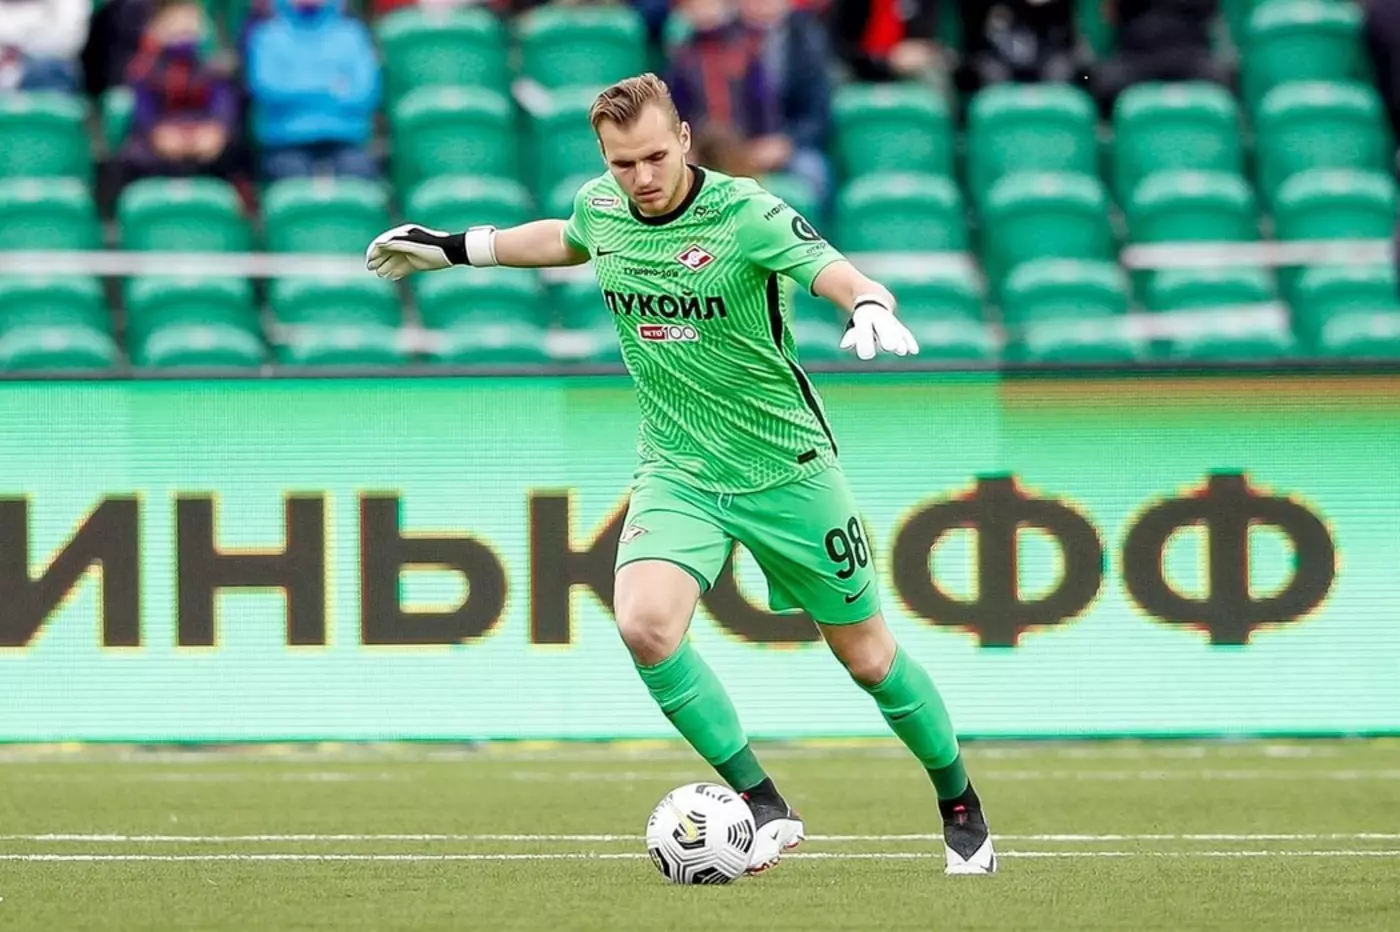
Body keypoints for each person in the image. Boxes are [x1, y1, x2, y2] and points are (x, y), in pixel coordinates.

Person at [364, 72, 997, 877]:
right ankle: (763, 803)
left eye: (655, 157)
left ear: (685, 140)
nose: (642, 177)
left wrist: (868, 303)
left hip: (788, 470)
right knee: (645, 626)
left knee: (869, 658)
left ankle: (959, 803)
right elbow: (563, 238)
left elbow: (829, 266)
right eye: (623, 163)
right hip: (678, 471)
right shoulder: (603, 207)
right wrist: (455, 248)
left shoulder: (746, 213)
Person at [244, 0, 380, 182]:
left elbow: (365, 93)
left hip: (346, 141)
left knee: (358, 177)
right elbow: (267, 89)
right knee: (291, 180)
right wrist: (332, 88)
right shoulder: (267, 36)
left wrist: (296, 86)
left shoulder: (353, 35)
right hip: (285, 143)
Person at [116, 0, 240, 190]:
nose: (183, 27)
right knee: (134, 156)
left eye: (190, 20)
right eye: (175, 20)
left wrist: (215, 132)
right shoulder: (145, 70)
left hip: (203, 135)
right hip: (160, 137)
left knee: (234, 154)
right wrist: (157, 134)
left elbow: (223, 106)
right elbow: (144, 112)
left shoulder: (214, 68)